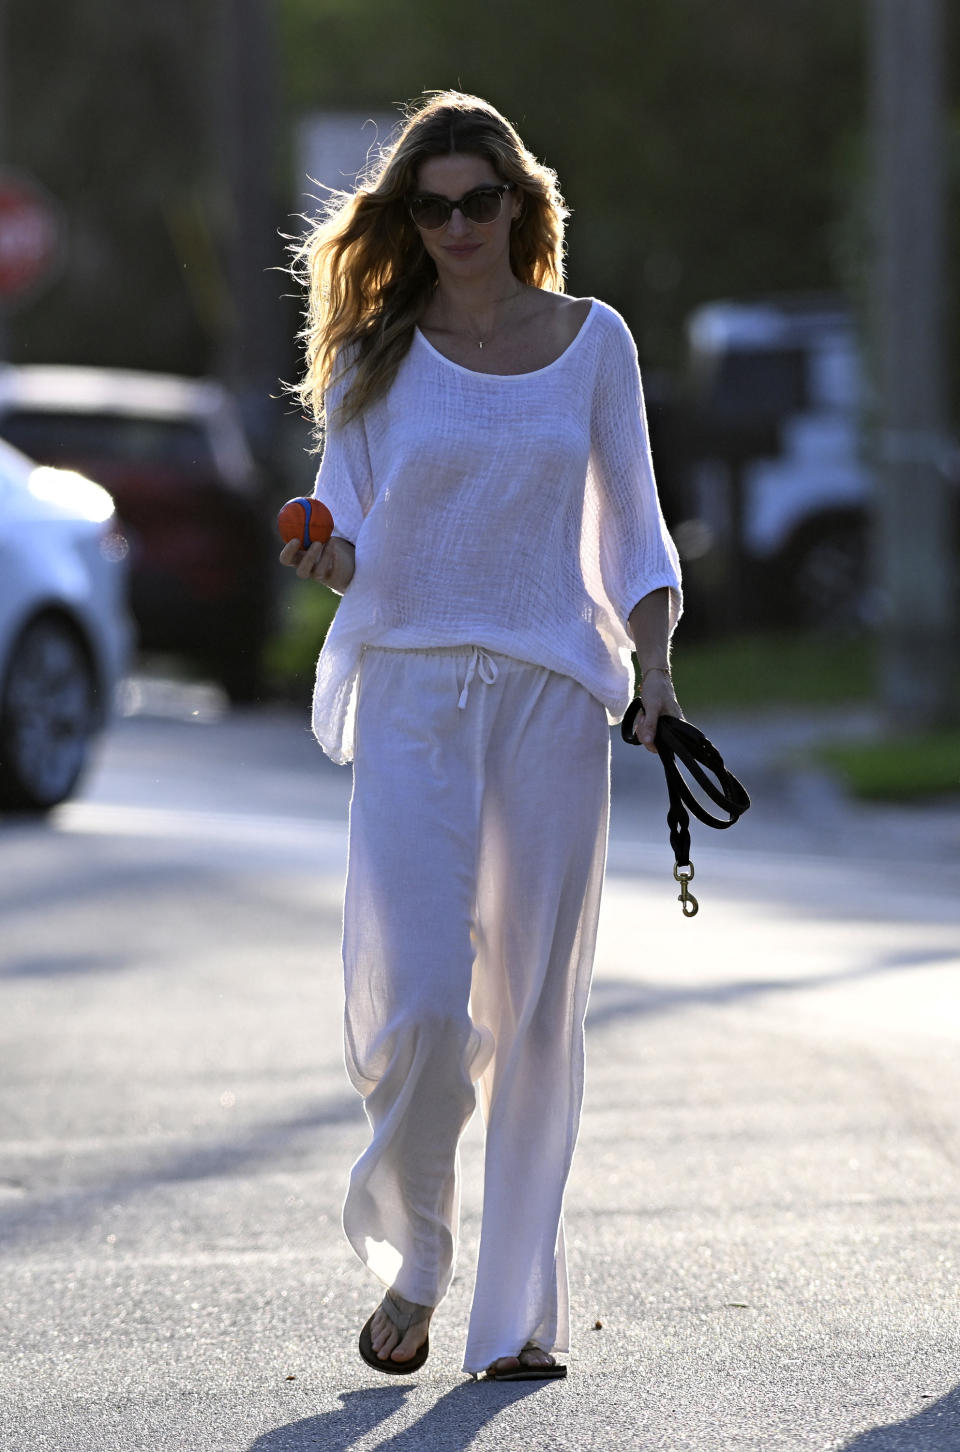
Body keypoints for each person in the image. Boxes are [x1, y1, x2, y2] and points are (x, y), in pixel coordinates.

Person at [281, 90, 683, 1382]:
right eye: (431, 206)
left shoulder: (592, 339)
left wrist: (656, 668)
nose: (457, 225)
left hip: (554, 696)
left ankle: (511, 1321)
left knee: (536, 1008)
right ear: (408, 219)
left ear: (520, 204)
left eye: (478, 201)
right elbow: (344, 540)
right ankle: (417, 1252)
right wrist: (325, 551)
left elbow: (635, 528)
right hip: (410, 688)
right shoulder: (372, 363)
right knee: (416, 1009)